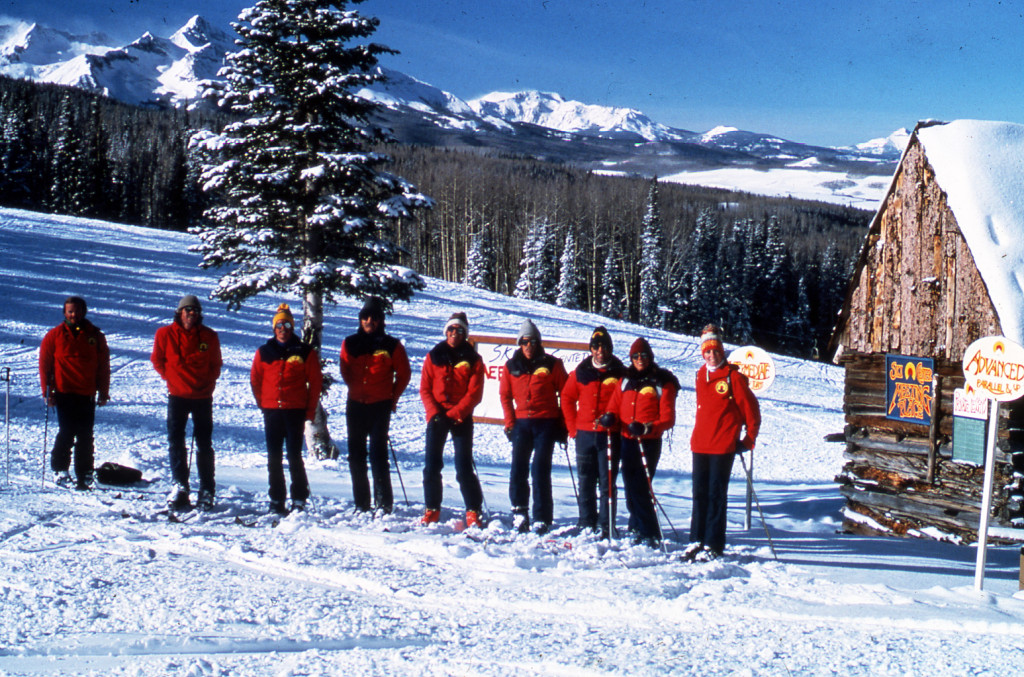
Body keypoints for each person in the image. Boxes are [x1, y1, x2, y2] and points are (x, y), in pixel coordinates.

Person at [686, 324, 761, 561]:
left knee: (716, 495)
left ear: (722, 351)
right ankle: (696, 540)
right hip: (700, 444)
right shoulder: (700, 374)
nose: (712, 355)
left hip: (722, 446)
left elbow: (752, 412)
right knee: (699, 494)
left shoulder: (733, 377)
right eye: (707, 351)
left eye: (715, 351)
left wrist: (748, 439)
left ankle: (713, 544)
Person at [339, 296, 411, 514]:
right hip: (356, 405)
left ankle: (384, 503)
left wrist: (392, 397)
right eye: (365, 317)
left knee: (379, 455)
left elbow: (405, 374)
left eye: (374, 318)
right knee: (356, 456)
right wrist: (355, 387)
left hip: (380, 406)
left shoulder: (392, 345)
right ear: (360, 320)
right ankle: (361, 503)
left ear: (381, 320)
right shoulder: (350, 342)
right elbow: (345, 369)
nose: (369, 321)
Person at [151, 294, 222, 511]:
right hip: (177, 396)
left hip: (202, 396)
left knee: (204, 443)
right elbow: (157, 360)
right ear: (180, 312)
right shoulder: (164, 334)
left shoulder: (209, 336)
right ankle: (180, 485)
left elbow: (215, 365)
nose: (191, 315)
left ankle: (207, 489)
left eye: (195, 312)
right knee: (175, 440)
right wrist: (171, 378)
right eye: (187, 311)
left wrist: (207, 385)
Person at [250, 303, 322, 515]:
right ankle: (276, 499)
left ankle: (299, 498)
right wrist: (263, 403)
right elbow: (255, 379)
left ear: (292, 328)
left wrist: (309, 411)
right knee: (273, 457)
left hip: (295, 411)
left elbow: (315, 383)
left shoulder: (304, 351)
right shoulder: (264, 352)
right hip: (272, 411)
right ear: (274, 328)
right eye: (279, 325)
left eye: (287, 325)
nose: (283, 329)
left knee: (293, 456)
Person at [607, 337, 679, 546]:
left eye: (644, 356)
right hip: (627, 439)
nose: (640, 359)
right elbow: (614, 404)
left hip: (647, 440)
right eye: (636, 356)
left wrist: (647, 427)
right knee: (630, 485)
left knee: (641, 486)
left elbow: (668, 418)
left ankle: (650, 531)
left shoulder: (661, 382)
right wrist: (610, 416)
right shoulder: (625, 380)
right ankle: (636, 523)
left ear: (650, 357)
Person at [499, 319, 568, 534]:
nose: (529, 346)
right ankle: (520, 512)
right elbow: (505, 395)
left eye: (533, 342)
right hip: (522, 424)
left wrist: (562, 425)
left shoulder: (552, 364)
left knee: (540, 469)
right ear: (520, 343)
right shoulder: (511, 366)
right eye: (525, 342)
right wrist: (510, 423)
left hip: (546, 423)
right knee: (518, 467)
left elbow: (566, 394)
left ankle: (542, 517)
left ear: (539, 343)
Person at [418, 312, 486, 527]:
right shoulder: (434, 356)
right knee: (431, 465)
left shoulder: (474, 359)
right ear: (445, 332)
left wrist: (455, 414)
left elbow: (474, 393)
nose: (454, 334)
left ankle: (473, 509)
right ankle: (432, 508)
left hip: (460, 417)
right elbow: (425, 388)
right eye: (451, 329)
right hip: (437, 416)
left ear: (465, 334)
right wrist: (435, 414)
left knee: (463, 466)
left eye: (459, 330)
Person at [39, 296, 111, 491]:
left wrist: (103, 391)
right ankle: (60, 470)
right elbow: (45, 365)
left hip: (86, 392)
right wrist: (47, 391)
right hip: (64, 392)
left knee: (86, 435)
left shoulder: (95, 336)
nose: (74, 315)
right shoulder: (54, 336)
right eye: (70, 311)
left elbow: (103, 366)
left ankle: (85, 473)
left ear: (84, 312)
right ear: (64, 313)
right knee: (67, 432)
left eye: (77, 311)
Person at [561, 326, 625, 537]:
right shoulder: (581, 372)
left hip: (609, 434)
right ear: (591, 349)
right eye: (596, 347)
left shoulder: (620, 372)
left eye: (604, 347)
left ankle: (606, 524)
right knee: (585, 479)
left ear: (610, 349)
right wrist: (572, 428)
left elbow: (627, 402)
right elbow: (568, 398)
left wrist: (615, 419)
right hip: (585, 434)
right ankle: (586, 521)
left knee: (607, 481)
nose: (600, 351)